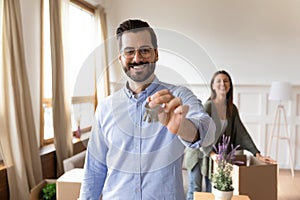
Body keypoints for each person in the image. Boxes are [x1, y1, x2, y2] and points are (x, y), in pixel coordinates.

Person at [79, 19, 215, 200]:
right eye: (129, 52)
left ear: (156, 54)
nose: (137, 58)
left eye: (144, 50)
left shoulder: (178, 96)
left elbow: (208, 134)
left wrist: (181, 126)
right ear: (120, 58)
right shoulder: (105, 108)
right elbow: (94, 170)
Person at [185, 70, 275, 197]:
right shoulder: (208, 106)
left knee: (213, 192)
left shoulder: (232, 109)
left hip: (216, 157)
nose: (222, 83)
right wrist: (211, 153)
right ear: (213, 86)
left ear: (230, 85)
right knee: (195, 190)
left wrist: (257, 154)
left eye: (226, 81)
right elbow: (200, 133)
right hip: (198, 154)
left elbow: (242, 134)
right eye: (219, 81)